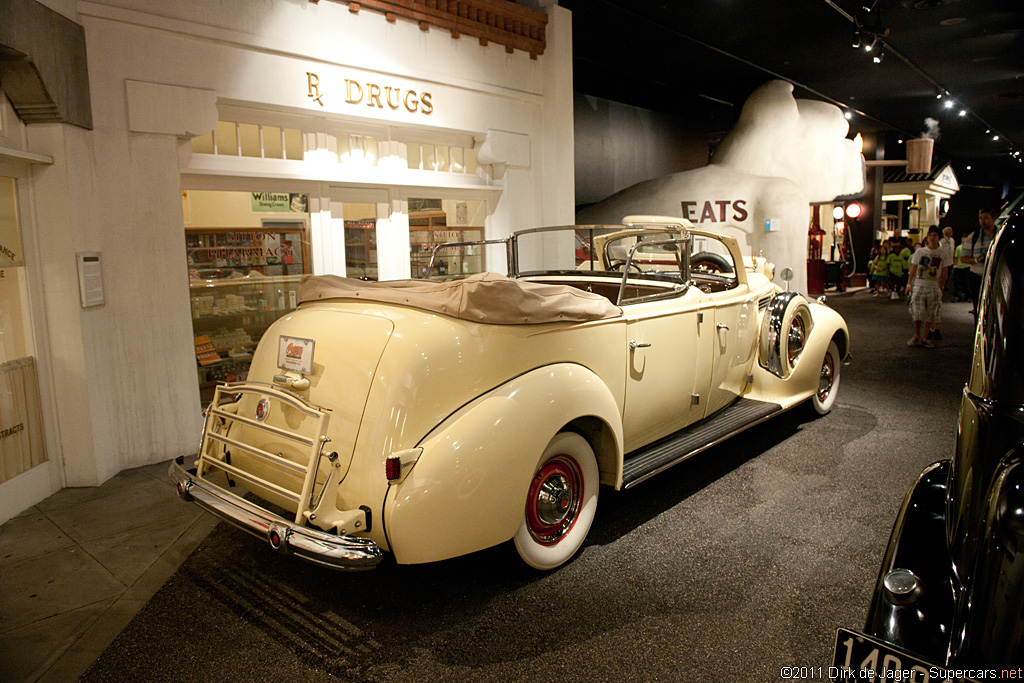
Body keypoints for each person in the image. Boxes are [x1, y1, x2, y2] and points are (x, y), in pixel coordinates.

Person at [905, 225, 950, 348]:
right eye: (930, 235)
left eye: (935, 236)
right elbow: (913, 269)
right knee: (917, 312)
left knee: (931, 312)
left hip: (934, 286)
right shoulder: (920, 252)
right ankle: (916, 336)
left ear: (938, 238)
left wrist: (942, 286)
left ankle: (925, 338)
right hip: (919, 285)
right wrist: (909, 284)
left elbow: (945, 272)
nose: (932, 238)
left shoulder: (943, 253)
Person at [963, 208, 998, 320]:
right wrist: (977, 260)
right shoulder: (973, 237)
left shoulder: (999, 236)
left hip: (996, 277)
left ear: (994, 219)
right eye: (981, 218)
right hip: (978, 278)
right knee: (979, 309)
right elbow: (963, 258)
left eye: (986, 218)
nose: (983, 221)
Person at [952, 234, 971, 302]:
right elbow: (956, 257)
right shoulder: (958, 248)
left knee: (967, 283)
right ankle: (958, 296)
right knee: (958, 283)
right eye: (963, 238)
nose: (963, 240)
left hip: (967, 266)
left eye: (965, 238)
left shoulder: (969, 248)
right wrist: (955, 265)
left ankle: (968, 296)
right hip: (959, 267)